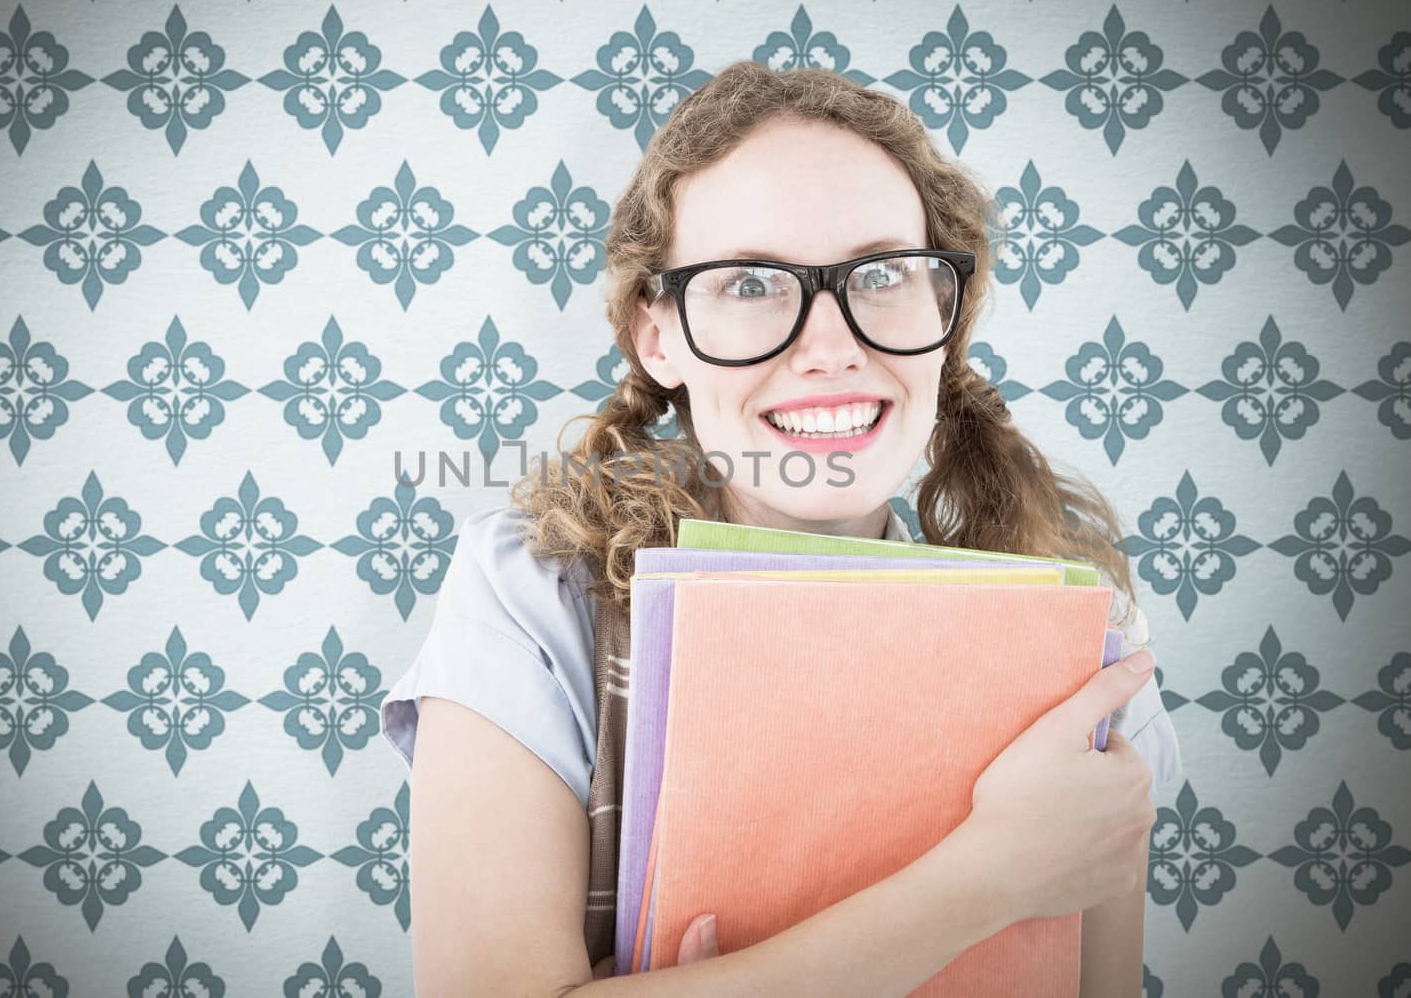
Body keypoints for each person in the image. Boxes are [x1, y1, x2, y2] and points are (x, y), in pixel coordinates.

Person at [378, 59, 1183, 996]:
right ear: (658, 334)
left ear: (944, 312)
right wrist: (987, 879)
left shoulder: (1083, 655)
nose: (831, 344)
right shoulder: (531, 597)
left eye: (882, 273)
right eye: (750, 284)